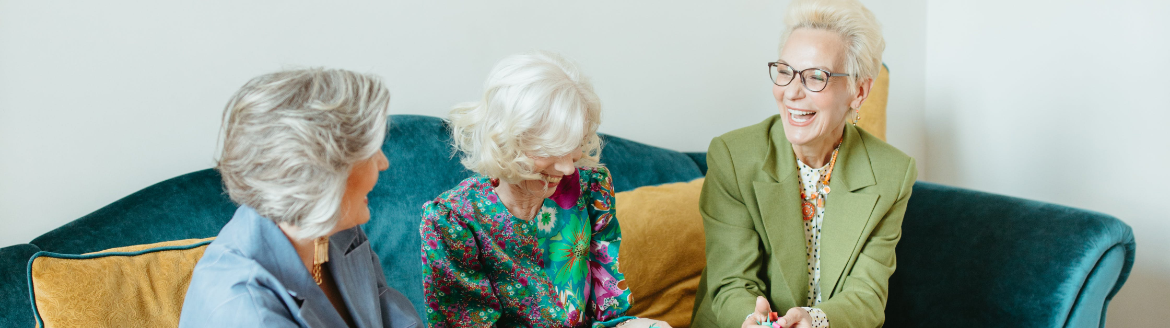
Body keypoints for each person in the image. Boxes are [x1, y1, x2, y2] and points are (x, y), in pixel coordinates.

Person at [690, 0, 918, 327]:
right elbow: (732, 283)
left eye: (815, 77)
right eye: (784, 72)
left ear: (859, 91)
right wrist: (753, 320)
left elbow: (866, 296)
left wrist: (817, 321)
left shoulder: (892, 174)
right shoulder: (733, 157)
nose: (792, 92)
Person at [419, 51, 668, 328]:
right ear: (506, 139)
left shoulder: (591, 186)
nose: (567, 168)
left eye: (574, 143)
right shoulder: (454, 220)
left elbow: (608, 298)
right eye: (552, 149)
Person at [180, 68, 420, 328]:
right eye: (370, 152)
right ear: (320, 174)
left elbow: (391, 315)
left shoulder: (331, 226)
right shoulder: (247, 311)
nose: (383, 163)